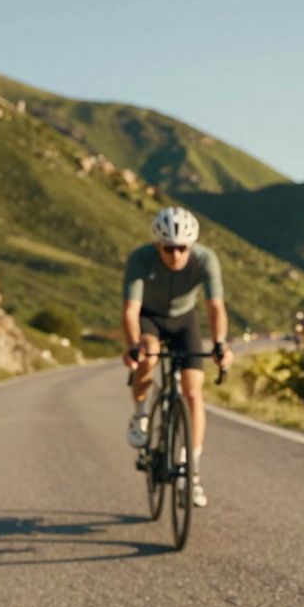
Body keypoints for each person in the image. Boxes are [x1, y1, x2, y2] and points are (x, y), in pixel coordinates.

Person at [122, 207, 234, 508]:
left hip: (185, 320)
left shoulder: (205, 259)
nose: (175, 255)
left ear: (191, 246)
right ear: (158, 245)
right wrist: (133, 345)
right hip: (151, 318)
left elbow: (214, 307)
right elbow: (131, 311)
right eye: (168, 248)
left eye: (182, 248)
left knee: (194, 392)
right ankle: (141, 414)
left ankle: (191, 471)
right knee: (148, 355)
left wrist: (220, 343)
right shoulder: (140, 259)